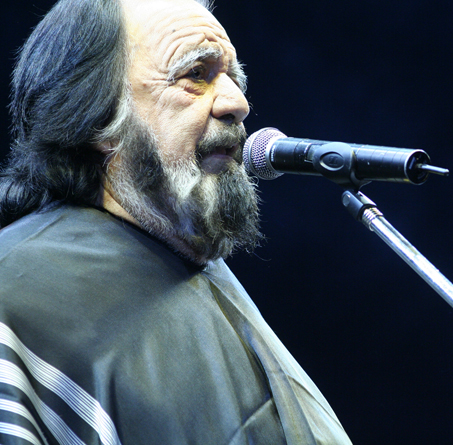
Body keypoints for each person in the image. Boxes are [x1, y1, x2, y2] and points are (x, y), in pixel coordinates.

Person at [0, 0, 352, 443]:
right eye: (196, 75)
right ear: (96, 117)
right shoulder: (16, 288)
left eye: (234, 78)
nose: (238, 103)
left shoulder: (190, 260)